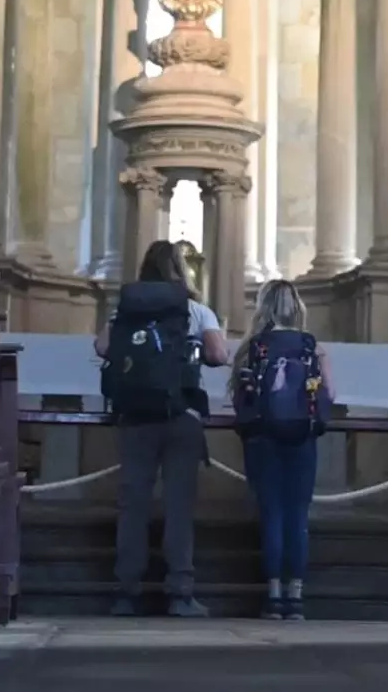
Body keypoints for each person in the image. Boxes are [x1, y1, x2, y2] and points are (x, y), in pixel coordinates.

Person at [95, 240, 229, 617]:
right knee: (179, 506)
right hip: (181, 414)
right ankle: (180, 592)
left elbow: (102, 347)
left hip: (136, 416)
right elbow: (219, 355)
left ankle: (126, 592)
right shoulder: (196, 310)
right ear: (179, 270)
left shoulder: (127, 309)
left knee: (133, 504)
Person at [228, 279, 333, 621]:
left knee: (271, 513)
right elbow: (328, 396)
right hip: (301, 437)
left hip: (262, 438)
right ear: (297, 307)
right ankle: (296, 598)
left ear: (262, 308)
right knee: (297, 515)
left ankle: (273, 597)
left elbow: (239, 398)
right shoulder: (312, 348)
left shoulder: (252, 348)